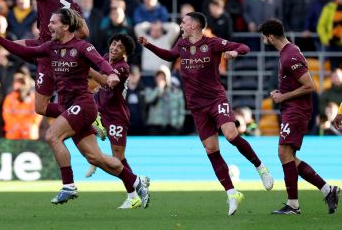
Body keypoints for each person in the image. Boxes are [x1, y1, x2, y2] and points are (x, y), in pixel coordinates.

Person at [0, 8, 150, 208]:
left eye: (54, 22)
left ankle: (69, 185)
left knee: (52, 136)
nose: (49, 25)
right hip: (68, 106)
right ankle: (135, 181)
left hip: (83, 104)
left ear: (65, 26)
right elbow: (26, 51)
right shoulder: (51, 46)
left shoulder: (82, 47)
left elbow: (100, 62)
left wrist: (112, 74)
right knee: (95, 158)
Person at [138, 11, 273, 216]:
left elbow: (244, 46)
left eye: (183, 22)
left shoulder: (212, 43)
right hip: (196, 106)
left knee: (230, 135)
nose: (180, 25)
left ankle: (260, 167)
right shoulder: (182, 45)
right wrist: (148, 44)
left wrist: (235, 53)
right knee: (211, 150)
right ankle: (232, 193)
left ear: (194, 26)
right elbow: (169, 56)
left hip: (216, 99)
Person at [258, 18, 340, 215]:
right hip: (291, 109)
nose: (264, 42)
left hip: (296, 110)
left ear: (270, 37)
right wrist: (282, 92)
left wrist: (282, 96)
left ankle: (294, 204)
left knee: (283, 153)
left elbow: (310, 85)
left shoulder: (290, 55)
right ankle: (327, 190)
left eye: (264, 38)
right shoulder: (287, 52)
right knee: (288, 156)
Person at [0, 0, 89, 120]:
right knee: (14, 46)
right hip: (47, 46)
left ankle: (84, 111)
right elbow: (84, 32)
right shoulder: (72, 3)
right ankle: (85, 105)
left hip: (48, 51)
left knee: (41, 107)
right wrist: (65, 43)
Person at [84, 33, 145, 208]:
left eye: (120, 47)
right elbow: (98, 83)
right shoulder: (105, 59)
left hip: (117, 116)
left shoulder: (123, 67)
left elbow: (107, 83)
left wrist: (86, 68)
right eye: (113, 44)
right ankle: (94, 159)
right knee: (79, 124)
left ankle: (134, 192)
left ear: (125, 53)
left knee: (118, 159)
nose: (114, 48)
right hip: (101, 111)